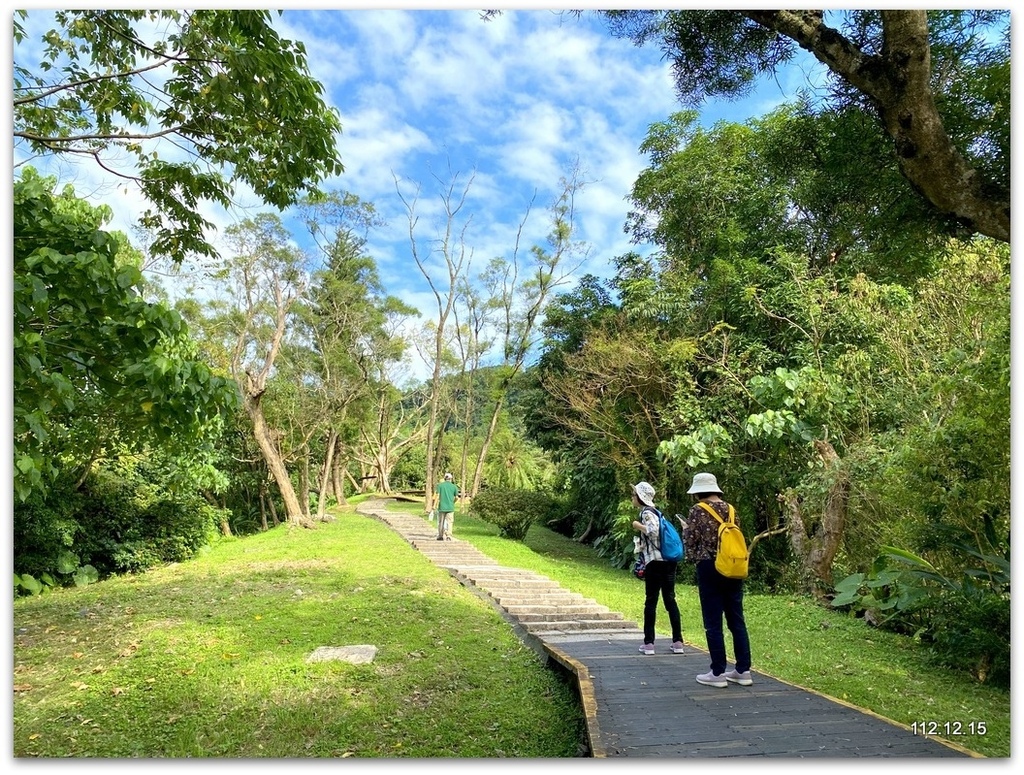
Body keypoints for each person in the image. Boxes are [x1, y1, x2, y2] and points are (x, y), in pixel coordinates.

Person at [683, 472, 753, 688]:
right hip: (732, 567)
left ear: (698, 492)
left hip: (710, 567)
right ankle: (743, 670)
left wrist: (686, 530)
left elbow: (691, 541)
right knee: (736, 620)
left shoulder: (697, 510)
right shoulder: (731, 510)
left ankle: (718, 673)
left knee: (713, 622)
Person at [630, 481, 685, 656]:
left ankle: (649, 643)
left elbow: (652, 532)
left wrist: (637, 525)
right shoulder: (657, 512)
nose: (632, 497)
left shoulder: (646, 513)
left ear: (640, 497)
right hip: (668, 561)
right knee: (670, 600)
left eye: (634, 495)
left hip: (655, 562)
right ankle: (677, 642)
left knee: (651, 601)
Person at [434, 472, 460, 541]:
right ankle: (449, 535)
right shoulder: (454, 486)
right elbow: (457, 497)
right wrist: (452, 502)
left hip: (442, 507)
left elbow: (438, 496)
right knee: (450, 522)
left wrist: (434, 505)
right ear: (451, 479)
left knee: (441, 522)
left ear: (445, 478)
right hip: (450, 508)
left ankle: (440, 535)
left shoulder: (440, 485)